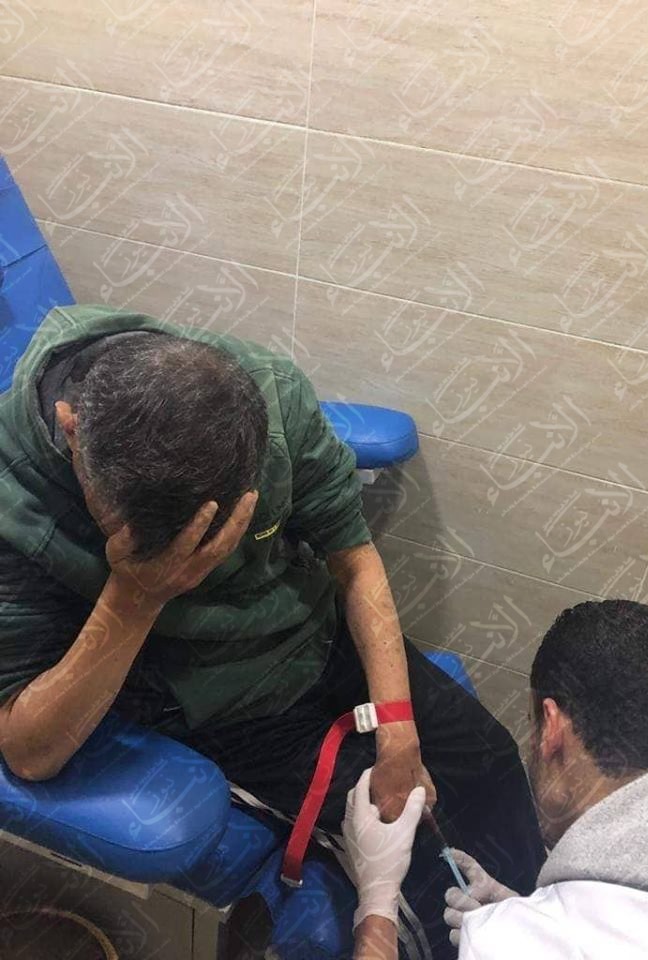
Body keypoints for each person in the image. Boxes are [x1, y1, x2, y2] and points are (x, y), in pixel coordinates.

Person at [0, 304, 544, 959]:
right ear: (72, 430)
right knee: (425, 867)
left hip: (318, 634)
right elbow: (28, 750)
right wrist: (138, 594)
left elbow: (353, 558)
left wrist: (397, 725)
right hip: (211, 704)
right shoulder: (13, 501)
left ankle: (549, 933)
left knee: (491, 763)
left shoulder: (268, 395)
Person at [343, 599, 648, 959]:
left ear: (551, 729)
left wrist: (377, 903)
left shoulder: (506, 944)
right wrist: (528, 913)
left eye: (530, 723)